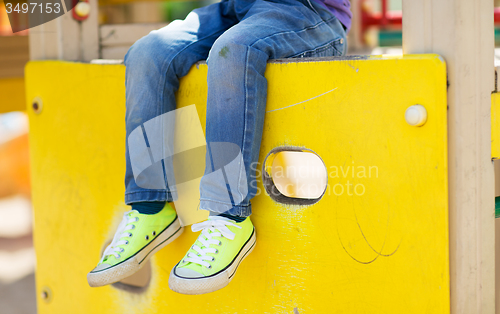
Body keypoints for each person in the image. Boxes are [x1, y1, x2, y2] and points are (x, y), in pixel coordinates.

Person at [87, 0, 351, 294]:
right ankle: (150, 208)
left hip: (306, 11)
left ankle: (229, 218)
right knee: (147, 53)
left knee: (233, 50)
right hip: (237, 8)